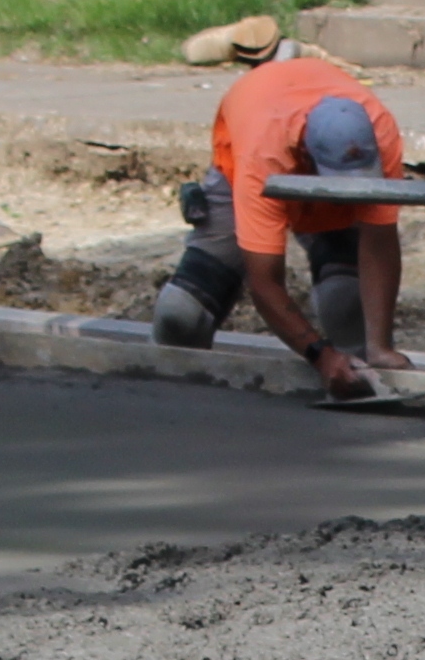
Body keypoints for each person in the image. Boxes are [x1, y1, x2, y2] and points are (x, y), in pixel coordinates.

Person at [152, 46, 409, 404]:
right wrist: (319, 355)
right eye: (341, 185)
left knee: (345, 300)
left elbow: (379, 242)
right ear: (308, 158)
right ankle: (171, 395)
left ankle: (362, 377)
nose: (349, 197)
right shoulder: (263, 157)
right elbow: (264, 282)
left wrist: (380, 348)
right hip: (249, 157)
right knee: (181, 314)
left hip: (305, 144)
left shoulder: (379, 137)